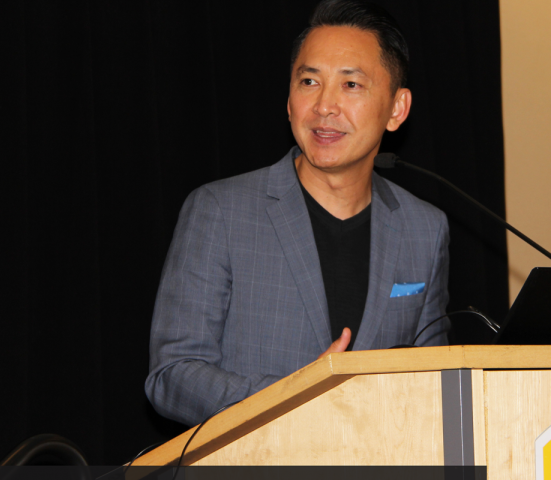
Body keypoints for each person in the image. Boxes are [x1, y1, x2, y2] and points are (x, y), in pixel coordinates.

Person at [145, 0, 450, 427]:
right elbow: (172, 376)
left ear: (397, 109)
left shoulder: (425, 229)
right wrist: (295, 396)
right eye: (309, 81)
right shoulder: (220, 212)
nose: (324, 106)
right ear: (289, 101)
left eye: (351, 85)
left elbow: (432, 379)